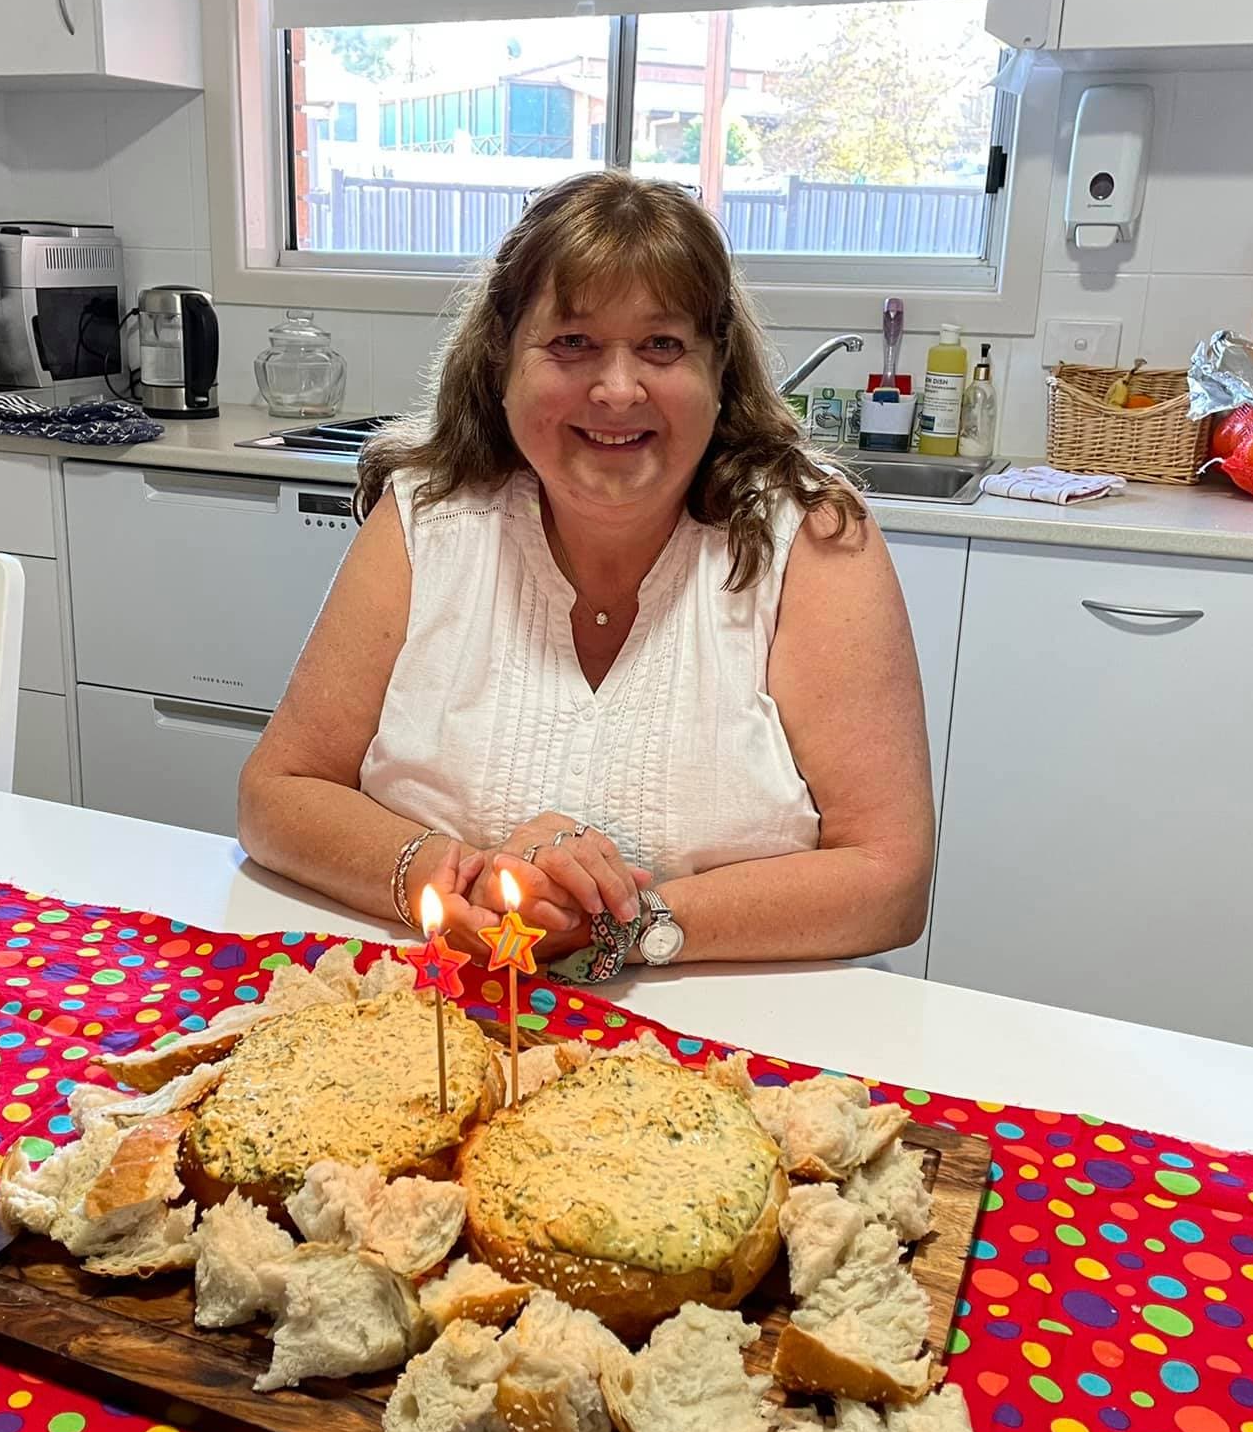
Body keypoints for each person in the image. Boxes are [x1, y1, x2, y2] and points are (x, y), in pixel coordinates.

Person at [237, 170, 933, 980]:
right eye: (571, 343)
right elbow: (276, 794)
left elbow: (890, 877)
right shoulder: (425, 517)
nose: (616, 388)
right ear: (503, 363)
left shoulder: (812, 538)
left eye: (662, 346)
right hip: (442, 1015)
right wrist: (456, 879)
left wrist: (624, 926)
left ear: (720, 371)